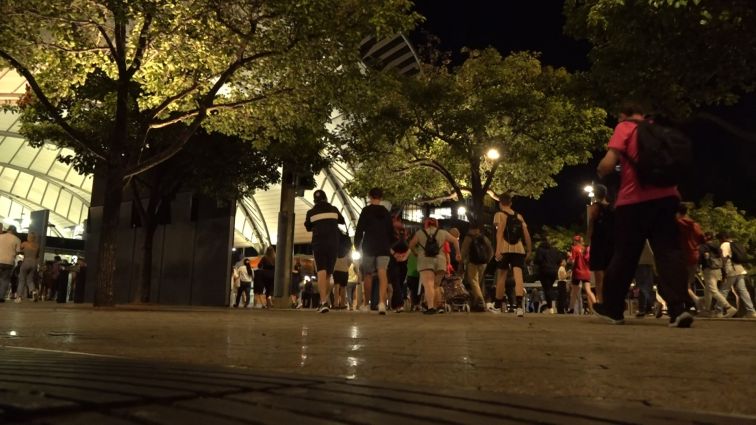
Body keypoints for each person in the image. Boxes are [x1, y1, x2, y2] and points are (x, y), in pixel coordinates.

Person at [596, 101, 692, 327]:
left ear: (623, 114)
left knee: (625, 255)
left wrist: (601, 171)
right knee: (668, 251)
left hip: (634, 202)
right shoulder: (657, 128)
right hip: (668, 197)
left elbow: (608, 164)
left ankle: (613, 310)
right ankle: (678, 310)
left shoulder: (625, 128)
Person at [408, 218, 461, 315]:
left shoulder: (420, 233)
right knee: (436, 285)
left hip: (425, 261)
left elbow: (411, 245)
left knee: (428, 284)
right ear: (436, 224)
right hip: (440, 262)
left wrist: (416, 253)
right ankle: (438, 305)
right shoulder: (443, 233)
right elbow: (455, 241)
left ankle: (430, 307)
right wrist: (458, 253)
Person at [353, 188, 394, 315]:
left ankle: (366, 304)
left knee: (368, 275)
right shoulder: (385, 212)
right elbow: (391, 232)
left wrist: (356, 244)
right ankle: (382, 303)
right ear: (381, 197)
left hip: (369, 246)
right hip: (383, 247)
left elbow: (359, 230)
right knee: (383, 273)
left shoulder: (366, 211)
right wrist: (389, 245)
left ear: (370, 196)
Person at [491, 193, 532, 317]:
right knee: (518, 276)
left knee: (501, 276)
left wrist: (497, 250)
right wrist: (529, 249)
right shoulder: (519, 216)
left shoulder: (499, 215)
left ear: (500, 203)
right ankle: (519, 307)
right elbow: (526, 233)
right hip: (519, 249)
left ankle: (497, 305)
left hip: (504, 248)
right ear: (511, 203)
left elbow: (500, 233)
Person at [304, 189, 345, 313]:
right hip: (333, 244)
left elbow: (308, 227)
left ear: (314, 201)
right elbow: (342, 221)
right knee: (328, 274)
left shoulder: (311, 212)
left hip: (319, 244)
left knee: (321, 271)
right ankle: (325, 300)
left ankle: (323, 302)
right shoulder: (333, 209)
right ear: (326, 198)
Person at [698, 232, 736, 317]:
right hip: (718, 269)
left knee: (713, 290)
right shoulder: (717, 246)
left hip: (709, 269)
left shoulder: (703, 246)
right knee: (707, 290)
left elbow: (699, 258)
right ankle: (706, 310)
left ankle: (729, 307)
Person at [719, 232, 756, 318]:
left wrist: (723, 271)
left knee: (724, 290)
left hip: (731, 270)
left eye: (719, 239)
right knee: (743, 290)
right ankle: (751, 311)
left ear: (723, 238)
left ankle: (718, 310)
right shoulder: (735, 244)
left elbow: (724, 259)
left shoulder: (724, 245)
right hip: (740, 269)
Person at [675, 204, 705, 311]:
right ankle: (693, 302)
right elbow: (702, 238)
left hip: (682, 257)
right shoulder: (694, 224)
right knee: (686, 283)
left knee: (678, 283)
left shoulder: (677, 224)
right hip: (694, 256)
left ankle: (693, 301)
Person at [587, 185, 614, 304]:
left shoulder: (595, 207)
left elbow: (591, 224)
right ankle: (610, 300)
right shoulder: (612, 208)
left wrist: (588, 241)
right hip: (610, 243)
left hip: (598, 243)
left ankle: (601, 302)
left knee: (599, 276)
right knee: (609, 274)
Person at [460, 221, 494, 310]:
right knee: (479, 282)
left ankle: (480, 301)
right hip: (483, 263)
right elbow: (491, 250)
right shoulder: (483, 237)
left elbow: (463, 252)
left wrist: (461, 264)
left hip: (473, 263)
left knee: (473, 281)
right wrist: (487, 261)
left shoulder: (468, 238)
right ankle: (476, 304)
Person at [533, 239, 562, 313]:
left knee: (547, 289)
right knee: (549, 288)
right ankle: (552, 305)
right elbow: (559, 260)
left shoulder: (540, 250)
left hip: (544, 271)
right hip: (554, 272)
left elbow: (537, 260)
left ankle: (550, 307)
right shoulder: (554, 250)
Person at [569, 236, 595, 314]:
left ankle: (571, 309)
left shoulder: (574, 248)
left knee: (574, 292)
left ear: (576, 241)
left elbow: (573, 261)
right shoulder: (586, 249)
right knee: (588, 290)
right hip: (586, 272)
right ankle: (597, 306)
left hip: (577, 272)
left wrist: (569, 257)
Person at [15, 231, 40, 303]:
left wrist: (22, 252)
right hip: (34, 263)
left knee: (22, 280)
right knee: (30, 280)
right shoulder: (37, 245)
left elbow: (19, 250)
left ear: (28, 237)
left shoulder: (25, 243)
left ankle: (19, 297)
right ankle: (34, 292)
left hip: (26, 262)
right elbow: (37, 256)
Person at [0, 225, 21, 302]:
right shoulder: (17, 239)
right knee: (5, 280)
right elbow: (18, 251)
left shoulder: (0, 236)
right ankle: (1, 297)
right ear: (14, 231)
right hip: (9, 262)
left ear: (7, 229)